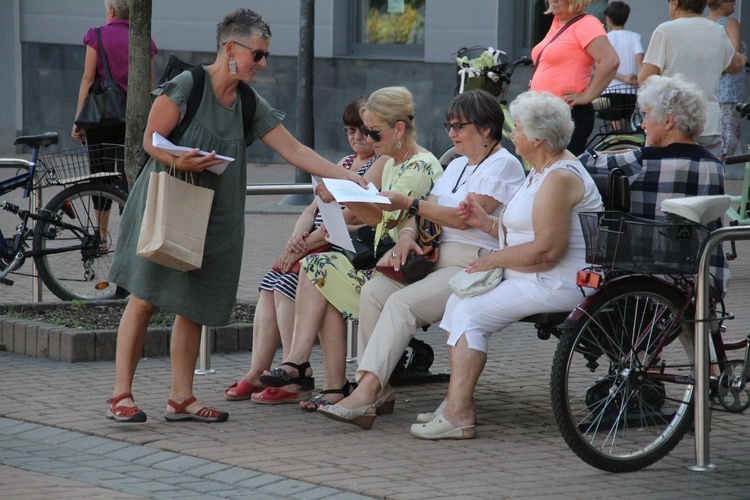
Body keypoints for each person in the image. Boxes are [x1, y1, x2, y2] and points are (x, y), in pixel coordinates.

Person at [105, 8, 366, 424]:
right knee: (144, 297)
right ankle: (121, 395)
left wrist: (350, 176)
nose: (262, 64)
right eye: (257, 55)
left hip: (216, 214)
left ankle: (181, 398)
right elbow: (151, 140)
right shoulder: (188, 85)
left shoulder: (247, 101)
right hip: (169, 203)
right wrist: (181, 159)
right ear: (231, 48)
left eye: (265, 55)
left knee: (192, 304)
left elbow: (294, 150)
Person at [315, 89, 527, 430]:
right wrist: (408, 235)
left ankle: (364, 392)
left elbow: (463, 217)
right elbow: (426, 212)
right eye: (449, 125)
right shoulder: (457, 163)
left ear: (487, 128)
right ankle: (378, 389)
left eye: (460, 125)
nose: (451, 133)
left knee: (402, 304)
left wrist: (409, 205)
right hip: (437, 258)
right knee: (373, 293)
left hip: (473, 263)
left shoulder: (503, 163)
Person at [404, 91, 604, 440]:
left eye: (520, 129)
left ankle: (460, 414)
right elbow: (522, 232)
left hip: (557, 280)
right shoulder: (541, 170)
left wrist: (490, 259)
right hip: (534, 274)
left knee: (470, 314)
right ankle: (454, 402)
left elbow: (547, 250)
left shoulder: (559, 177)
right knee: (458, 304)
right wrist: (486, 224)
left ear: (539, 139)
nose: (513, 134)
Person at [257, 86, 444, 409]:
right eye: (364, 131)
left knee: (320, 270)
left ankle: (307, 367)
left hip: (408, 268)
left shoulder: (419, 166)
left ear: (399, 129)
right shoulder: (392, 162)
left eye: (374, 132)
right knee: (319, 269)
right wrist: (343, 197)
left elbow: (385, 217)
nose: (368, 140)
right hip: (390, 261)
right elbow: (372, 218)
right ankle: (323, 380)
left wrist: (342, 195)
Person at [223, 95, 386, 401]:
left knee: (287, 279)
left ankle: (295, 374)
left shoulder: (381, 163)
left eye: (363, 130)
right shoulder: (346, 163)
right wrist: (296, 236)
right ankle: (258, 370)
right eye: (349, 130)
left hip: (345, 246)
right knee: (270, 284)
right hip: (318, 241)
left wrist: (300, 248)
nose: (356, 137)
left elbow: (349, 218)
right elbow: (311, 208)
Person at [580, 74, 729, 295]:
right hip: (709, 277)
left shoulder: (643, 161)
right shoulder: (715, 165)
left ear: (668, 121)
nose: (642, 124)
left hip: (655, 278)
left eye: (647, 115)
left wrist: (624, 151)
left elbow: (584, 163)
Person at [72, 0, 157, 238]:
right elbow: (149, 86)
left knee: (101, 175)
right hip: (133, 121)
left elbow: (88, 79)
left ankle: (100, 235)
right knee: (131, 175)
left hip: (101, 120)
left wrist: (79, 119)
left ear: (110, 11)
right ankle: (132, 235)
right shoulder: (145, 41)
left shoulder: (96, 36)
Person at [638, 0, 746, 158]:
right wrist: (742, 58)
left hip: (670, 124)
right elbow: (733, 65)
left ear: (675, 3)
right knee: (707, 175)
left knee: (665, 175)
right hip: (708, 122)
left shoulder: (665, 30)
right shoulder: (717, 31)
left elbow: (645, 79)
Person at [529, 0, 619, 155]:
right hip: (547, 114)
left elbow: (610, 61)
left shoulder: (586, 24)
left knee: (560, 170)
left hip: (567, 115)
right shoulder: (558, 22)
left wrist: (587, 96)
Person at [708, 0, 746, 160]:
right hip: (728, 89)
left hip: (708, 88)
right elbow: (733, 56)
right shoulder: (730, 23)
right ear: (722, 4)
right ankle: (721, 169)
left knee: (713, 132)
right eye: (731, 2)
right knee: (729, 134)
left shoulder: (704, 24)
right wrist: (743, 59)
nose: (735, 5)